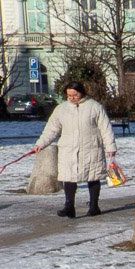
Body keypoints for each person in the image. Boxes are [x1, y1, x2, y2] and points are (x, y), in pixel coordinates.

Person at [31, 81, 118, 218]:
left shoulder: (95, 107)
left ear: (82, 92)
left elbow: (106, 129)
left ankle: (94, 206)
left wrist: (110, 147)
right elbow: (51, 129)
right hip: (68, 149)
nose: (72, 98)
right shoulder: (61, 109)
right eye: (69, 95)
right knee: (68, 177)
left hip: (91, 148)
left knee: (93, 176)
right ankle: (69, 207)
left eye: (75, 95)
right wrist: (40, 144)